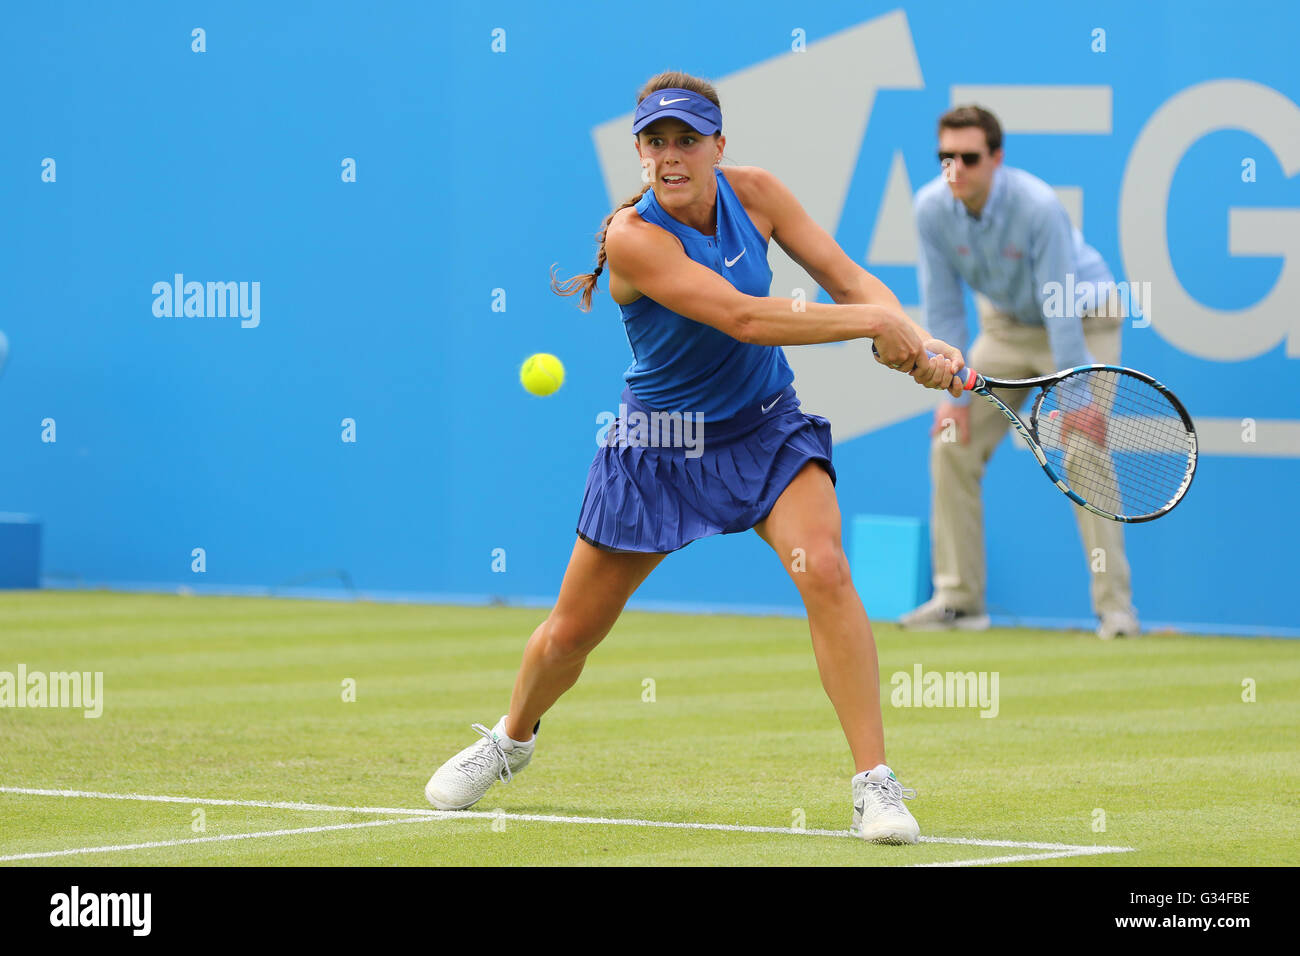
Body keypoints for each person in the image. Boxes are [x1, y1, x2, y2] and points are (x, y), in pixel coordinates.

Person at [424, 71, 967, 844]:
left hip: (765, 430)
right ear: (640, 153)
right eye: (656, 142)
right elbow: (745, 317)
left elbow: (847, 278)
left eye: (687, 140)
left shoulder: (761, 195)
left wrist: (913, 337)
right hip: (659, 450)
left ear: (719, 144)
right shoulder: (632, 238)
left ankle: (874, 785)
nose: (671, 156)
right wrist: (876, 323)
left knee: (828, 568)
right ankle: (511, 738)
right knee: (571, 634)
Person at [901, 105, 1139, 639]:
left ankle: (1116, 610)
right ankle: (959, 600)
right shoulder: (931, 208)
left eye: (968, 157)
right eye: (944, 158)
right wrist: (952, 394)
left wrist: (1075, 398)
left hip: (1081, 320)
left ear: (996, 159)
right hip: (1006, 328)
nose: (954, 169)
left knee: (1081, 449)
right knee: (948, 440)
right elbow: (942, 309)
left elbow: (1059, 305)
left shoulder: (1037, 206)